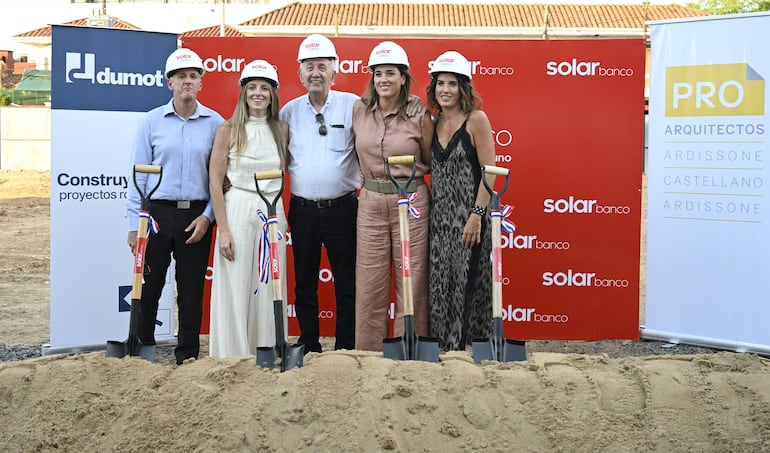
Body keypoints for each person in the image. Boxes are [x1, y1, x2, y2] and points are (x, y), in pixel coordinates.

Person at [126, 48, 224, 365]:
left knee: (191, 290)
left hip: (195, 216)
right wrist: (133, 225)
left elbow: (221, 181)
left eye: (193, 76)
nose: (187, 82)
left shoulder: (216, 124)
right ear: (170, 83)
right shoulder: (150, 122)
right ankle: (143, 352)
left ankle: (188, 356)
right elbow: (137, 176)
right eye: (181, 76)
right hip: (155, 215)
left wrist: (208, 218)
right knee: (150, 286)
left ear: (200, 84)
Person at [351, 41, 434, 351]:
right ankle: (369, 353)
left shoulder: (418, 114)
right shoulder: (359, 109)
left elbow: (430, 160)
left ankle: (408, 349)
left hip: (411, 202)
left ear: (403, 77)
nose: (383, 79)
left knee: (411, 280)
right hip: (370, 202)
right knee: (370, 283)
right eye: (378, 73)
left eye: (391, 73)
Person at [279, 34, 360, 353]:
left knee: (347, 284)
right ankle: (309, 343)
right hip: (302, 211)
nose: (316, 72)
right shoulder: (288, 112)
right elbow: (276, 157)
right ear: (300, 73)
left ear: (334, 71)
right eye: (309, 66)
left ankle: (345, 347)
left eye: (322, 66)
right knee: (304, 283)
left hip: (343, 209)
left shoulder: (353, 105)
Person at [208, 60, 289, 358]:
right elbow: (216, 183)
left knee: (270, 284)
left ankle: (267, 348)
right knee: (236, 282)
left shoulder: (281, 129)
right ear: (243, 93)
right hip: (238, 209)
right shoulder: (227, 131)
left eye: (264, 88)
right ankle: (233, 354)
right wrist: (224, 229)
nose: (258, 93)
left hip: (272, 212)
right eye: (252, 87)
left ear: (272, 94)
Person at [426, 51, 496, 351]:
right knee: (441, 283)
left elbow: (489, 172)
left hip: (471, 218)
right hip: (439, 220)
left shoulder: (476, 120)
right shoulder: (433, 123)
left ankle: (472, 349)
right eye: (440, 83)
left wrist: (477, 214)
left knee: (471, 283)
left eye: (452, 83)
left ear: (463, 87)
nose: (445, 89)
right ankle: (445, 348)